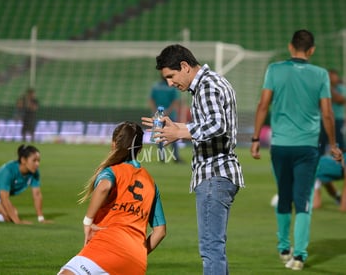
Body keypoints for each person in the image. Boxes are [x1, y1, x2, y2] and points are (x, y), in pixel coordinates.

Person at [142, 44, 244, 275]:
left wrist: (179, 132)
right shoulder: (212, 82)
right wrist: (175, 126)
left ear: (185, 66)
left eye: (171, 76)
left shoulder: (207, 86)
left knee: (211, 249)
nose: (170, 83)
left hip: (214, 174)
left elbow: (218, 124)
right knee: (215, 248)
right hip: (220, 174)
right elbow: (210, 123)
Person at [250, 29, 343, 271]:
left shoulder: (275, 70)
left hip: (280, 145)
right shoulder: (320, 74)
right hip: (307, 147)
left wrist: (255, 138)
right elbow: (327, 113)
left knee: (284, 194)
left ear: (291, 47)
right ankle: (299, 256)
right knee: (303, 200)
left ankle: (283, 248)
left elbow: (263, 105)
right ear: (311, 50)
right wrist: (333, 144)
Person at [58, 121, 166, 275]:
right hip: (135, 263)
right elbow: (160, 231)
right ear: (140, 149)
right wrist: (135, 254)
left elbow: (104, 187)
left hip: (106, 248)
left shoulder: (113, 171)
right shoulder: (151, 183)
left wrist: (87, 221)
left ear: (113, 144)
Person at [149, 76, 182, 163]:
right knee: (174, 136)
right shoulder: (172, 87)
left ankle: (162, 158)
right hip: (170, 115)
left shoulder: (156, 86)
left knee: (159, 137)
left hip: (159, 115)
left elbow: (151, 100)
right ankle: (175, 157)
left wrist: (155, 112)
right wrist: (168, 111)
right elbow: (175, 101)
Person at [318, 69, 346, 155]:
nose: (330, 78)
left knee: (340, 144)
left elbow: (340, 100)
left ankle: (342, 165)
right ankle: (319, 164)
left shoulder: (341, 88)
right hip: (323, 120)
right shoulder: (321, 89)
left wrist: (328, 89)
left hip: (338, 120)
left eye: (332, 76)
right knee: (320, 144)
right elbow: (318, 103)